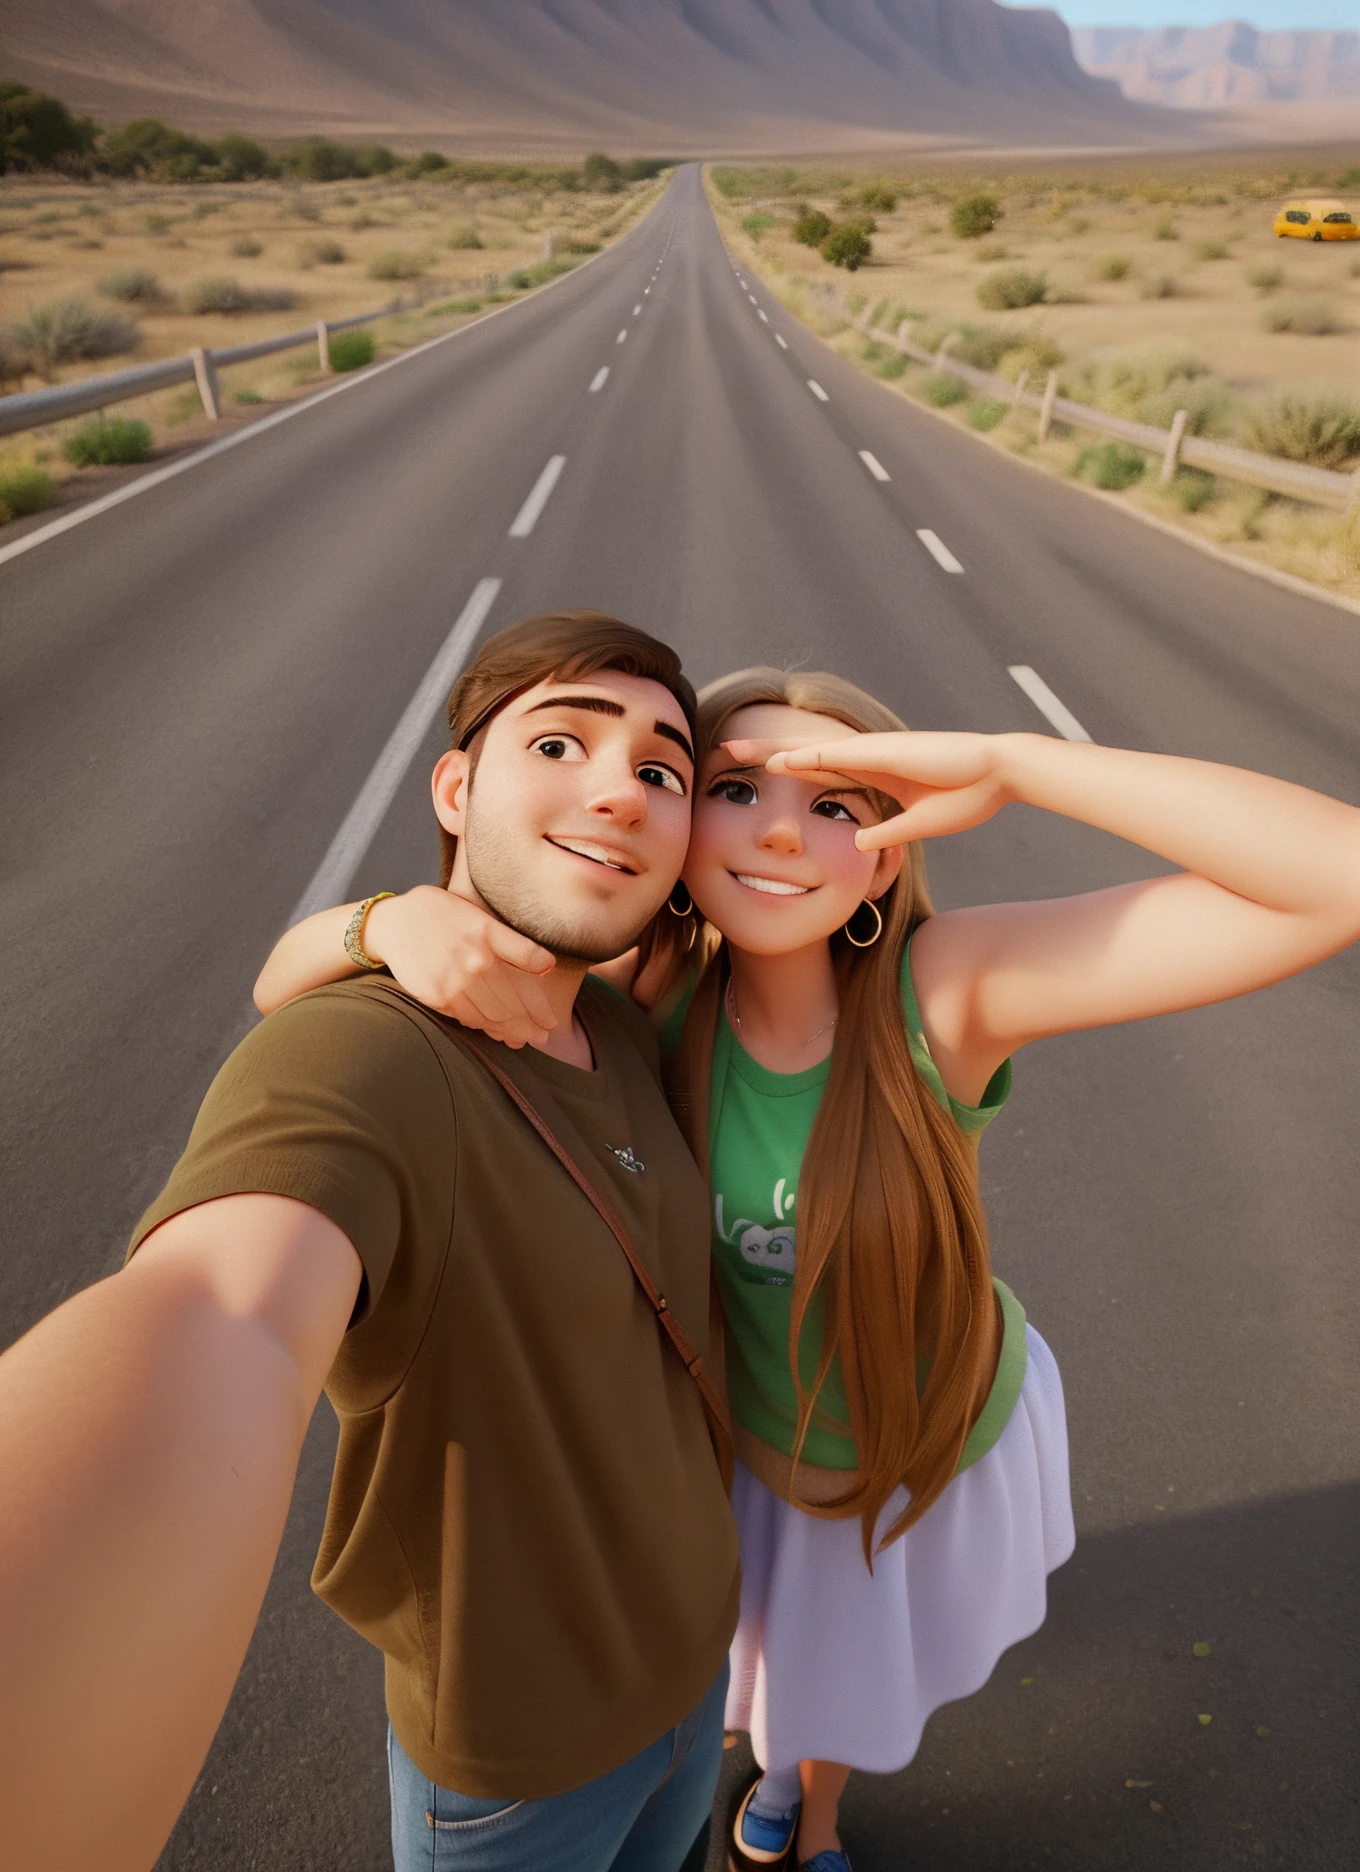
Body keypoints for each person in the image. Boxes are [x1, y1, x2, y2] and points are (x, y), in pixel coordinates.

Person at [262, 665, 1360, 1872]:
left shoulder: (940, 993)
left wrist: (1012, 762)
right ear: (680, 830)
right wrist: (382, 921)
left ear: (885, 857)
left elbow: (1336, 876)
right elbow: (290, 990)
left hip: (909, 1438)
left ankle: (805, 1810)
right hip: (737, 1449)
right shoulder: (642, 998)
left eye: (840, 802)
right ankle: (777, 1770)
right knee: (766, 1665)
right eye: (734, 787)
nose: (784, 827)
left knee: (838, 1674)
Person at [0, 611, 742, 1872]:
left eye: (662, 771)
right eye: (560, 742)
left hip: (694, 1684)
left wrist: (360, 919)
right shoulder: (362, 1054)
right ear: (455, 787)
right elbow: (216, 1313)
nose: (618, 789)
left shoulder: (617, 1019)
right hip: (524, 1768)